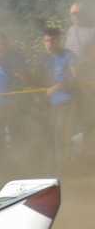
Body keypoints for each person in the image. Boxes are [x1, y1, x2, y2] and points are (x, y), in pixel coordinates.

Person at [0, 33, 29, 176]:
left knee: (14, 136)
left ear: (6, 44)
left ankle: (18, 169)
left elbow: (25, 78)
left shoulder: (15, 58)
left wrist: (19, 76)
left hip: (10, 103)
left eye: (0, 44)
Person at [42, 26, 77, 173]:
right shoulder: (45, 59)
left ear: (59, 41)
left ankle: (65, 166)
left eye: (52, 41)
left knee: (62, 133)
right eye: (46, 41)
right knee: (53, 134)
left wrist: (57, 87)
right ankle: (57, 166)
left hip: (66, 101)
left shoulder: (68, 55)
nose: (49, 44)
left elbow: (75, 77)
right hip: (50, 102)